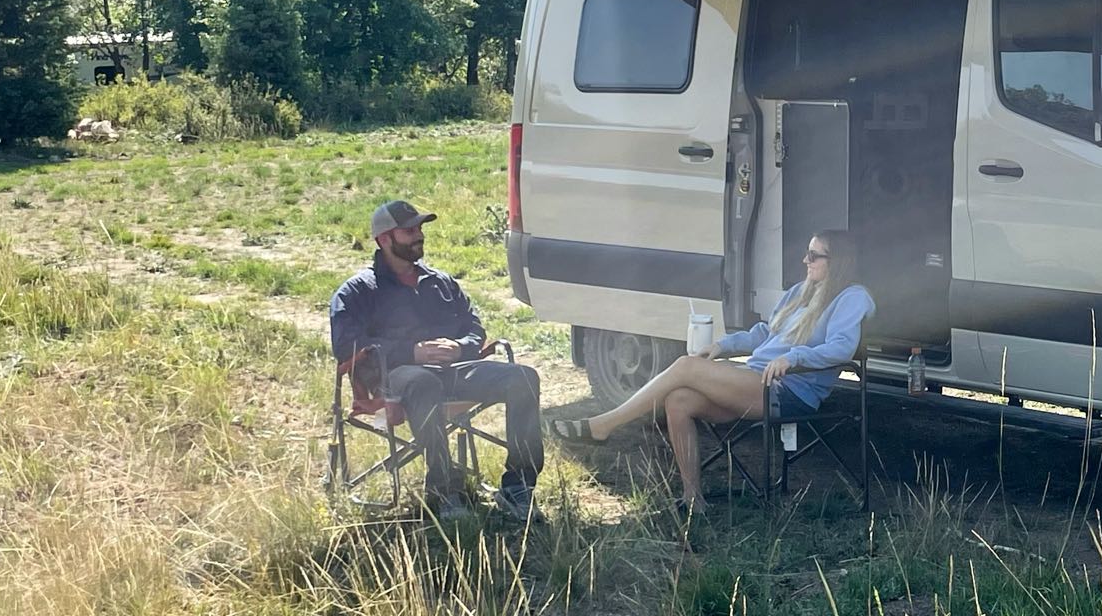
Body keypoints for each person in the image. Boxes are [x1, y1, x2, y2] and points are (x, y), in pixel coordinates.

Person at [554, 229, 872, 512]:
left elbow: (842, 347)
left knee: (686, 366)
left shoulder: (852, 297)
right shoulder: (800, 292)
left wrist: (794, 357)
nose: (806, 259)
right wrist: (723, 346)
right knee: (678, 399)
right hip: (755, 380)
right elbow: (764, 333)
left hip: (788, 391)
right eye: (807, 252)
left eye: (814, 255)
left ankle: (605, 425)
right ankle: (693, 499)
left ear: (837, 261)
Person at [329, 199, 543, 519]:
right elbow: (347, 344)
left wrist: (460, 347)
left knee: (523, 378)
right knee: (423, 382)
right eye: (409, 231)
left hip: (455, 370)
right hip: (394, 377)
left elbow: (473, 327)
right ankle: (445, 490)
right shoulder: (358, 291)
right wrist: (410, 352)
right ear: (384, 239)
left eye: (420, 229)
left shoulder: (439, 282)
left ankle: (518, 487)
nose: (419, 236)